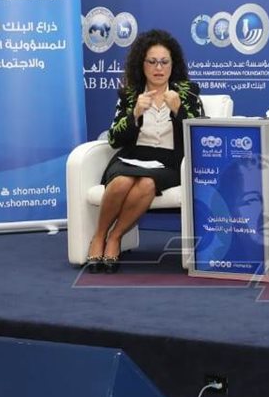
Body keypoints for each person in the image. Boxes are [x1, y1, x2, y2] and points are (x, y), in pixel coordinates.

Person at [87, 29, 203, 273]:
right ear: (142, 64)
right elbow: (114, 138)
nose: (158, 68)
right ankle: (99, 236)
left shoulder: (188, 92)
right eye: (152, 62)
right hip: (132, 156)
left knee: (147, 184)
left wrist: (179, 110)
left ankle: (115, 237)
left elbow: (199, 137)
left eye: (164, 62)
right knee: (120, 182)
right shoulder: (130, 94)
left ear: (173, 64)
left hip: (169, 162)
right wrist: (135, 114)